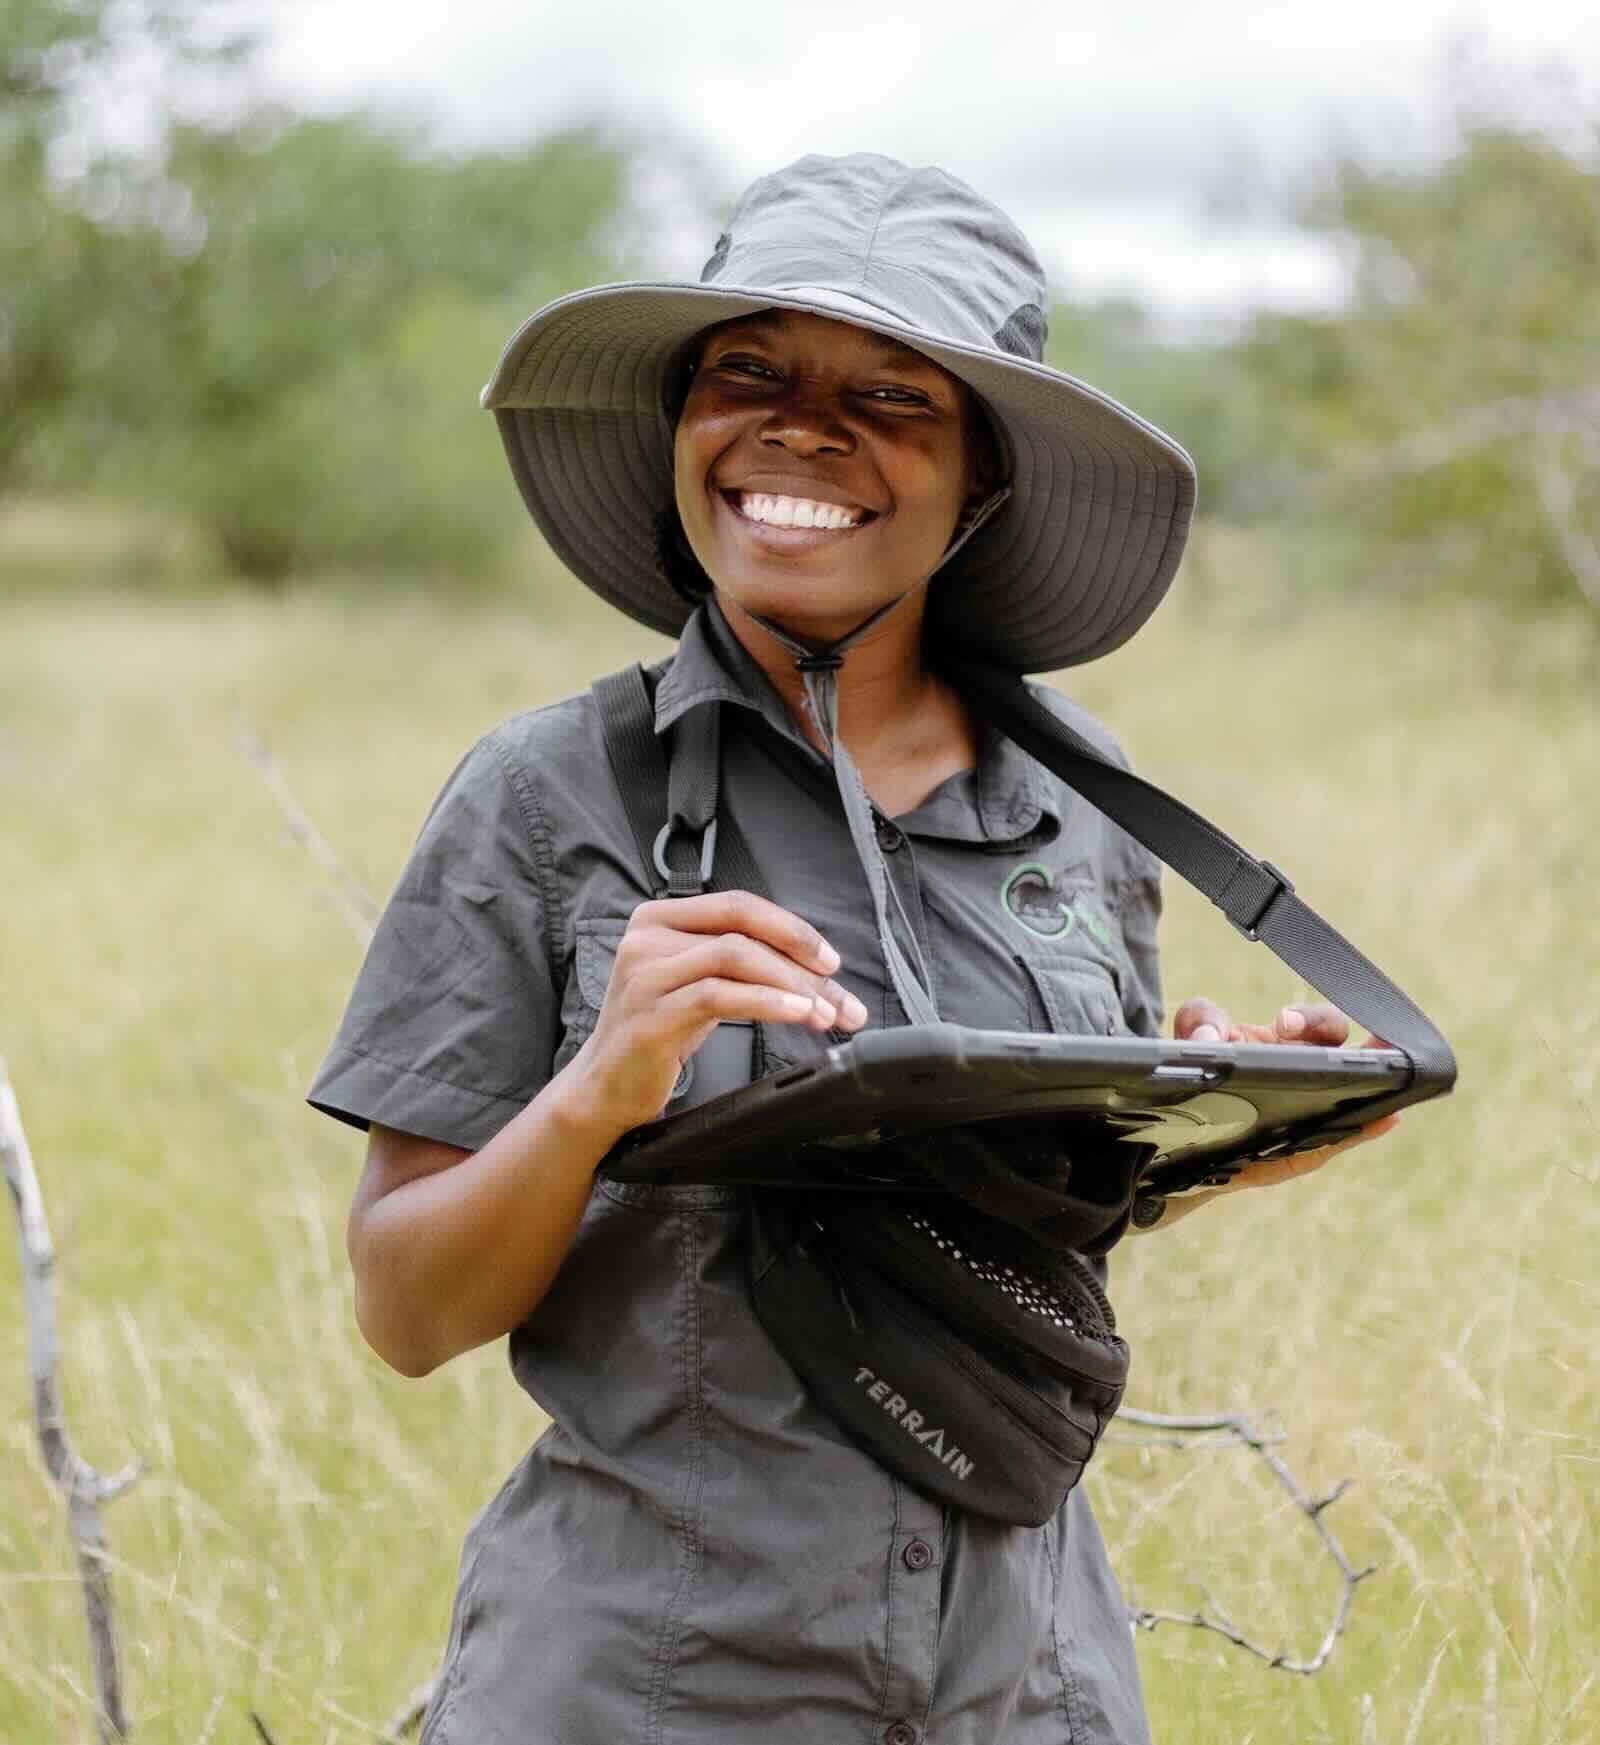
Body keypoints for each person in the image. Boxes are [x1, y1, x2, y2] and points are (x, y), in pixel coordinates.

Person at [308, 153, 1393, 1745]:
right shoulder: (550, 796)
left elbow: (1002, 1234)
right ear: (681, 423)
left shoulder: (1083, 818)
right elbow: (406, 1310)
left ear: (985, 486)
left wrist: (1222, 1126)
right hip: (656, 1686)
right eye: (747, 370)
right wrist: (599, 1089)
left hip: (1030, 1683)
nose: (802, 429)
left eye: (895, 396)